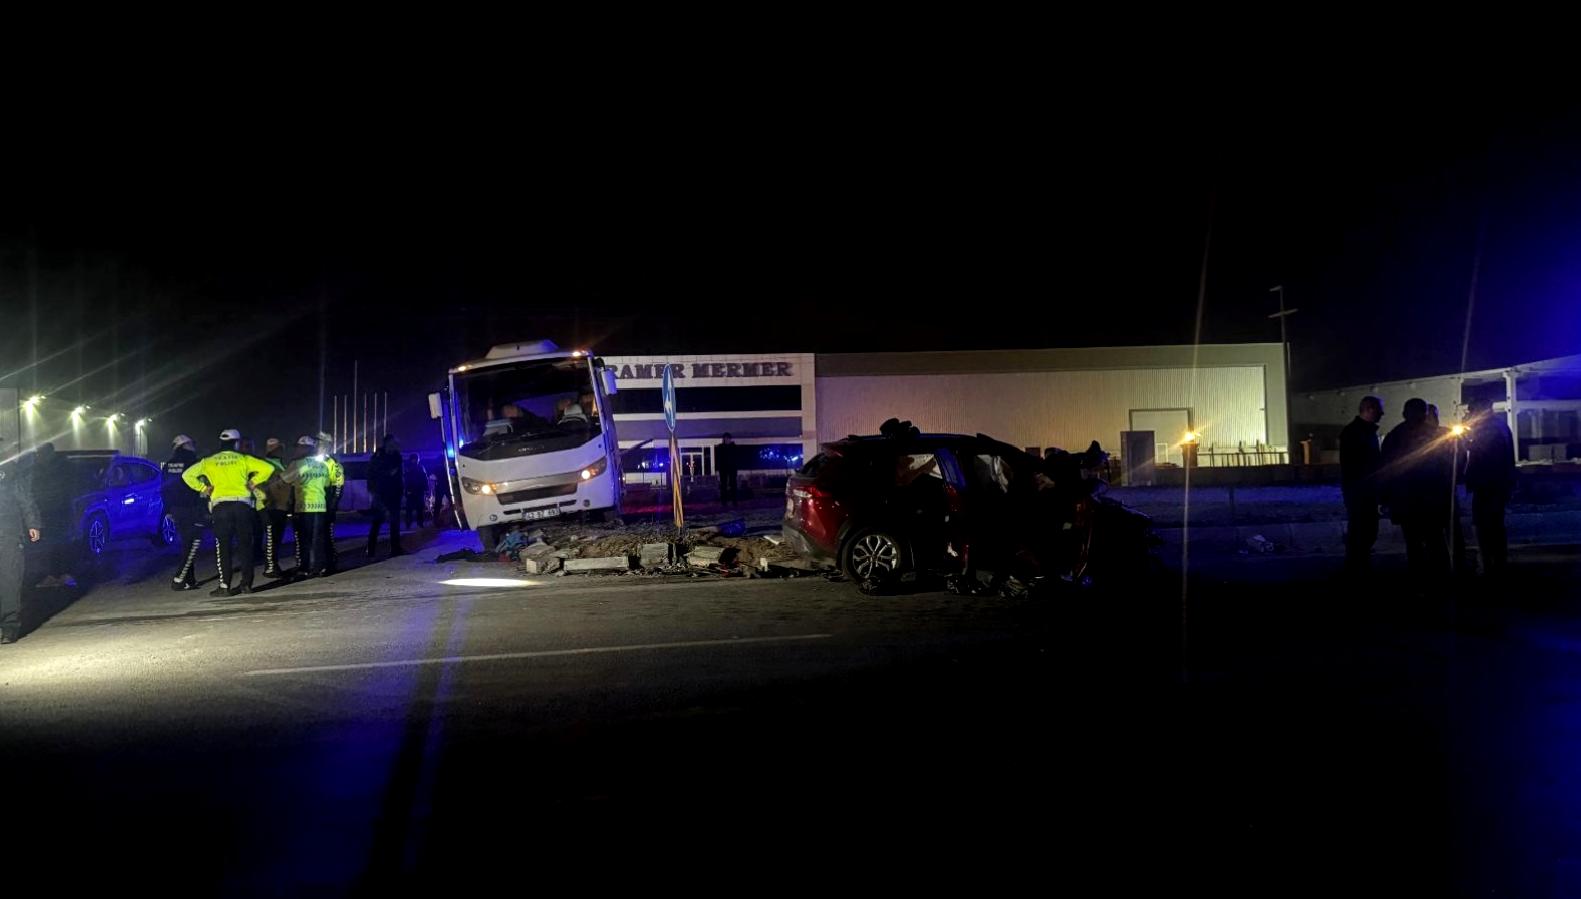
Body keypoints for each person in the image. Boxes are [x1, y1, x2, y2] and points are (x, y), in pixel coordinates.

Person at [182, 429, 274, 597]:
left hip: (220, 507)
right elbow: (268, 468)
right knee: (245, 546)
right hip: (242, 506)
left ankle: (224, 586)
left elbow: (187, 475)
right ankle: (246, 585)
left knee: (223, 547)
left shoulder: (208, 461)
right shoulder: (244, 459)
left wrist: (203, 488)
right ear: (236, 443)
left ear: (221, 443)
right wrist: (253, 482)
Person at [1380, 398, 1454, 586]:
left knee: (1414, 544)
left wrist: (1387, 498)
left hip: (1408, 500)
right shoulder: (1436, 435)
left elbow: (1387, 469)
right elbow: (1450, 466)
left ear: (1404, 413)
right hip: (1431, 499)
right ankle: (1441, 581)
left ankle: (1419, 581)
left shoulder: (1395, 436)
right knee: (1435, 540)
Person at [1464, 397, 1517, 576]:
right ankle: (1497, 563)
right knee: (1495, 525)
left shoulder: (1489, 428)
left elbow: (1485, 455)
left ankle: (1489, 564)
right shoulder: (1500, 426)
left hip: (1487, 485)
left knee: (1484, 525)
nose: (1470, 414)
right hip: (1497, 484)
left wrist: (1468, 443)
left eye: (1472, 411)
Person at [1339, 396, 1385, 574]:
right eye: (1379, 409)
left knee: (1364, 530)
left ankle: (1357, 566)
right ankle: (1357, 568)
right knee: (1363, 530)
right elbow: (1358, 465)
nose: (1382, 413)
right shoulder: (1358, 433)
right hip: (1361, 491)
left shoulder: (1359, 431)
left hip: (1361, 490)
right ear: (1369, 409)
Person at [0, 457, 42, 644]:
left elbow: (24, 496)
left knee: (9, 580)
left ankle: (9, 627)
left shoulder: (8, 469)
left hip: (7, 533)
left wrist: (33, 523)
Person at [161, 435, 209, 591]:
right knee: (194, 541)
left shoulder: (167, 465)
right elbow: (202, 486)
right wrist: (204, 506)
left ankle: (190, 580)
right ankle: (179, 578)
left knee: (187, 542)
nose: (193, 446)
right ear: (185, 445)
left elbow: (164, 490)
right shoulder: (194, 462)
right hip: (192, 507)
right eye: (191, 444)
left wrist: (168, 510)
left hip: (176, 509)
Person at [28, 442, 76, 588]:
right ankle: (53, 575)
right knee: (50, 545)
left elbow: (68, 488)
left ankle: (65, 574)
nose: (38, 456)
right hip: (46, 511)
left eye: (40, 453)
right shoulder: (38, 468)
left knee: (62, 544)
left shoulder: (62, 467)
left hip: (60, 511)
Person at [283, 436, 332, 577]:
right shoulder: (322, 465)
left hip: (304, 507)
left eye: (299, 447)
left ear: (304, 449)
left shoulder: (297, 464)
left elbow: (285, 480)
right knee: (318, 538)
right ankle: (320, 567)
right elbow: (327, 484)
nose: (297, 450)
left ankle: (305, 568)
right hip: (320, 506)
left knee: (304, 539)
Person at [366, 434, 406, 558]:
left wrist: (401, 491)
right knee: (377, 522)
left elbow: (400, 476)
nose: (393, 446)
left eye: (394, 444)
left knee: (395, 523)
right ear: (386, 444)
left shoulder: (397, 457)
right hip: (381, 494)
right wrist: (373, 491)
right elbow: (372, 475)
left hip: (394, 494)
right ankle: (370, 550)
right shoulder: (378, 457)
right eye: (391, 443)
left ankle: (395, 548)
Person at [259, 438, 293, 579]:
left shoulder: (281, 464)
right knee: (272, 538)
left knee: (276, 538)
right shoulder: (264, 464)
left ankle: (273, 565)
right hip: (271, 506)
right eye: (280, 448)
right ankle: (270, 567)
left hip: (281, 506)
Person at [315, 432, 345, 574]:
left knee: (327, 535)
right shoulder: (312, 460)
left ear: (328, 445)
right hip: (313, 504)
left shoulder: (333, 463)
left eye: (321, 443)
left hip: (327, 503)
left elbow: (338, 485)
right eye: (317, 442)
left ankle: (330, 563)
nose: (318, 445)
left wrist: (333, 503)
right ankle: (317, 564)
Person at [403, 453, 429, 528]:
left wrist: (406, 490)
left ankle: (410, 523)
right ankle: (418, 523)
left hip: (414, 491)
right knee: (417, 508)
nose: (415, 461)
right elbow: (425, 478)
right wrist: (426, 489)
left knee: (412, 508)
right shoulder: (419, 467)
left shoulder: (408, 468)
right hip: (417, 490)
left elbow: (406, 480)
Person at [715, 433, 739, 507]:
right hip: (723, 469)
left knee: (733, 485)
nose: (726, 440)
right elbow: (718, 459)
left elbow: (736, 458)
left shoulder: (734, 447)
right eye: (725, 439)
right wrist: (718, 469)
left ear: (730, 439)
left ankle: (734, 501)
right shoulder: (720, 447)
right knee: (723, 486)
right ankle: (724, 502)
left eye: (727, 438)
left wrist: (736, 468)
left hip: (732, 468)